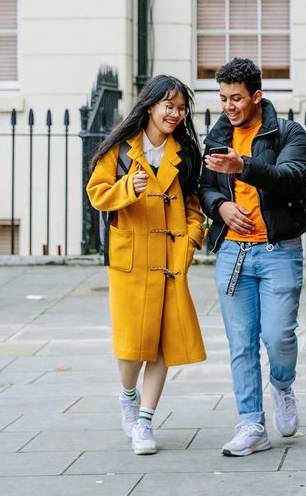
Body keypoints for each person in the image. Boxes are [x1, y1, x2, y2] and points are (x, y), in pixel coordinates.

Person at [199, 57, 306, 457]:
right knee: (241, 343)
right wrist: (220, 208)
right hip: (233, 252)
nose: (229, 106)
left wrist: (243, 166)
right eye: (223, 98)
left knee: (279, 336)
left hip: (277, 250)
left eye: (236, 98)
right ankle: (251, 424)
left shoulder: (287, 133)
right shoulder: (216, 136)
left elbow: (290, 177)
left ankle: (282, 385)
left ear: (257, 96)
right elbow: (204, 188)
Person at [86, 75, 207, 455]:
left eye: (181, 108)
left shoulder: (184, 152)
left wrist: (188, 244)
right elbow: (96, 194)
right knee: (131, 345)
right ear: (151, 106)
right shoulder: (120, 150)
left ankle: (144, 422)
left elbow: (193, 208)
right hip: (132, 259)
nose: (175, 113)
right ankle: (127, 395)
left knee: (162, 345)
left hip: (170, 261)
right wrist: (128, 189)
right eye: (168, 106)